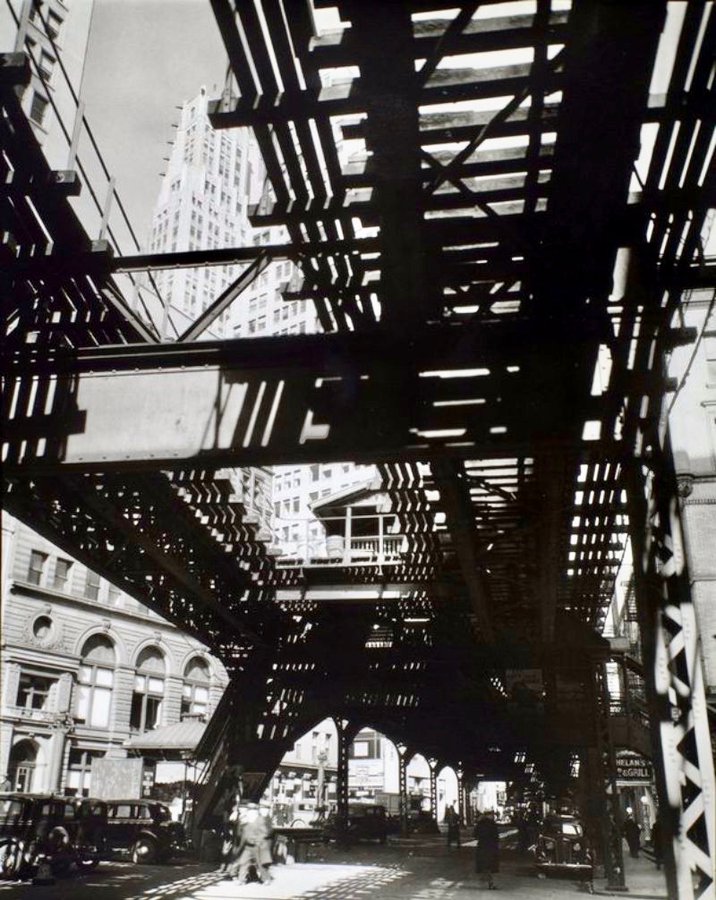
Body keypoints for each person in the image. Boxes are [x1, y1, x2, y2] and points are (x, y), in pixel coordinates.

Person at [474, 810, 499, 890]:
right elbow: (496, 836)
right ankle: (490, 882)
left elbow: (475, 835)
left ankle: (487, 880)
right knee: (490, 865)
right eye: (492, 815)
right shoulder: (492, 824)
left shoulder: (480, 823)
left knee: (485, 865)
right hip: (491, 846)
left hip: (482, 846)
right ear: (489, 815)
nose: (493, 816)